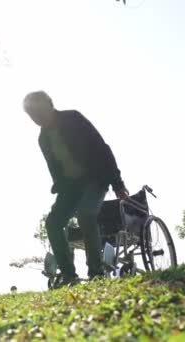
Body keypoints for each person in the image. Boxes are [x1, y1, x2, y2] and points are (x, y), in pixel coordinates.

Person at [22, 91, 129, 287]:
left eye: (38, 112)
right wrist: (58, 186)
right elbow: (54, 167)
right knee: (53, 223)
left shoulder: (73, 118)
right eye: (31, 115)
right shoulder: (43, 138)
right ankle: (69, 275)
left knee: (86, 214)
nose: (36, 118)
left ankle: (96, 272)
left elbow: (102, 148)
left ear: (49, 104)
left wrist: (118, 183)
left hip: (95, 179)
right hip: (70, 188)